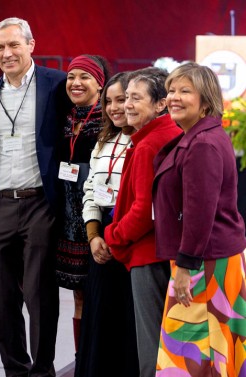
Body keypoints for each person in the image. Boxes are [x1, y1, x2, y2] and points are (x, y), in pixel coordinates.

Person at [0, 17, 71, 376]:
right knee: (2, 299)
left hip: (40, 203)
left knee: (40, 295)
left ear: (31, 44)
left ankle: (42, 370)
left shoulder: (57, 85)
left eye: (14, 44)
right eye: (0, 47)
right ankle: (15, 369)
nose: (7, 53)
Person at [154, 62, 246, 375]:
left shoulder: (203, 144)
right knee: (212, 351)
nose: (173, 97)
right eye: (170, 90)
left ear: (205, 101)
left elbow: (199, 214)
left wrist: (184, 269)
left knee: (195, 353)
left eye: (184, 91)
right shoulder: (200, 136)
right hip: (209, 259)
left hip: (204, 264)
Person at [103, 67, 182, 377]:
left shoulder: (150, 143)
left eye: (136, 98)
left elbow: (144, 210)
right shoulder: (164, 134)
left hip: (148, 254)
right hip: (163, 252)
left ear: (160, 104)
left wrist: (113, 235)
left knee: (151, 346)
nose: (127, 106)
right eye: (127, 98)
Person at [74, 72, 138, 376]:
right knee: (99, 319)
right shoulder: (103, 141)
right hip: (100, 241)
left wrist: (114, 238)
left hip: (131, 242)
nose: (114, 107)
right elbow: (90, 192)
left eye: (122, 99)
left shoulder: (144, 141)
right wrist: (93, 236)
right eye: (109, 101)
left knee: (129, 324)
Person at [55, 54, 109, 352]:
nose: (76, 83)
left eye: (84, 77)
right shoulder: (65, 116)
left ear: (100, 84)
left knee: (100, 293)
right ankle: (81, 358)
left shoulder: (110, 118)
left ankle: (98, 358)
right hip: (66, 218)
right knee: (78, 295)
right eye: (71, 76)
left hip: (98, 217)